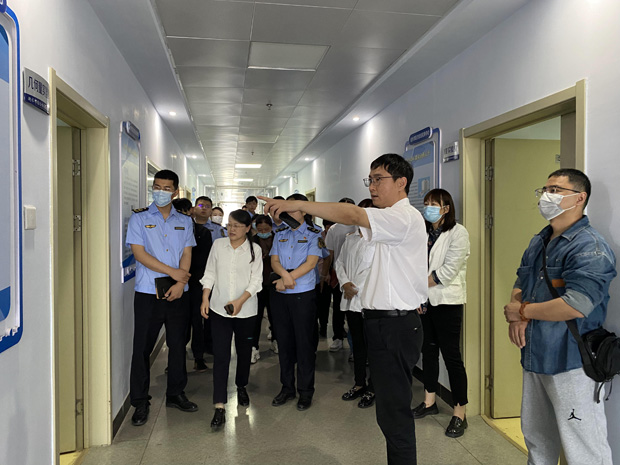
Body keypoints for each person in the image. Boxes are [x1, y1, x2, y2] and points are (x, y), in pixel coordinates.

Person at [260, 153, 427, 464]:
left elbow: (350, 214)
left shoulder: (403, 217)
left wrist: (300, 205)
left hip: (396, 324)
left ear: (401, 182)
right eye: (370, 180)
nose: (372, 186)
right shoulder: (386, 220)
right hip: (379, 321)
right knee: (388, 412)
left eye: (379, 179)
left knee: (395, 413)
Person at [503, 169, 616, 465]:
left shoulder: (589, 247)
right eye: (545, 189)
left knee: (583, 448)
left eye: (555, 190)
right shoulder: (539, 241)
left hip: (572, 362)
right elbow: (522, 281)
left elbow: (576, 305)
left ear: (579, 198)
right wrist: (517, 316)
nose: (546, 196)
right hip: (535, 356)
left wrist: (523, 311)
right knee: (537, 439)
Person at [126, 169, 199, 427]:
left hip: (179, 293)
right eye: (157, 186)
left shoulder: (185, 221)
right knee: (142, 348)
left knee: (178, 345)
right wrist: (174, 273)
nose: (160, 191)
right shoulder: (139, 218)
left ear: (175, 192)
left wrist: (180, 283)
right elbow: (139, 254)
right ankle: (140, 401)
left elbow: (187, 253)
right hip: (148, 292)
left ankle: (176, 393)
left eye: (166, 188)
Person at [411, 189, 470, 438]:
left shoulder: (458, 232)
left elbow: (448, 270)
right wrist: (417, 294)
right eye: (426, 203)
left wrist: (418, 285)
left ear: (446, 208)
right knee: (428, 352)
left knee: (451, 356)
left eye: (434, 204)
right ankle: (429, 401)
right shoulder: (423, 233)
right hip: (425, 302)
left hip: (447, 302)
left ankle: (460, 413)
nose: (428, 208)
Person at [200, 210, 263, 430]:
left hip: (246, 311)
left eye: (237, 226)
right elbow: (210, 273)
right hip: (219, 309)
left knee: (244, 353)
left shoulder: (255, 250)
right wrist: (205, 298)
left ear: (248, 228)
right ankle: (219, 405)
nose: (231, 229)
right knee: (221, 355)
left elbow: (256, 281)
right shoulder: (218, 245)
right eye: (229, 225)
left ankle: (241, 385)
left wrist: (239, 301)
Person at [269, 194, 323, 411]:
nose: (289, 212)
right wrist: (285, 276)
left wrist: (288, 279)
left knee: (304, 344)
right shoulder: (280, 233)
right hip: (281, 294)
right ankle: (287, 388)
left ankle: (305, 391)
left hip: (303, 295)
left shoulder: (314, 234)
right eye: (286, 208)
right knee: (284, 343)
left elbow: (310, 263)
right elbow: (274, 260)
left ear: (304, 211)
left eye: (293, 208)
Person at [334, 198, 376, 409]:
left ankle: (373, 387)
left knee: (373, 347)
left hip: (369, 302)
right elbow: (339, 263)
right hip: (351, 301)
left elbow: (373, 271)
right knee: (357, 345)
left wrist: (354, 287)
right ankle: (359, 383)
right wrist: (345, 283)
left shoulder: (378, 242)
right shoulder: (350, 239)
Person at [173, 197, 214, 370]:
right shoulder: (170, 232)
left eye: (184, 212)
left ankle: (198, 357)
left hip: (196, 283)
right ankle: (176, 358)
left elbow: (205, 261)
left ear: (190, 212)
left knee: (197, 321)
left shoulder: (202, 232)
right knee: (178, 323)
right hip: (174, 282)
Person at [322, 198, 357, 351]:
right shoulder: (334, 229)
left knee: (354, 311)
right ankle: (337, 337)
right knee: (338, 307)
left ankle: (354, 344)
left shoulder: (358, 226)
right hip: (339, 274)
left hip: (356, 274)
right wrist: (326, 273)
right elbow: (330, 254)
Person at [250, 214, 277, 362]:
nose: (263, 232)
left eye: (266, 229)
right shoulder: (251, 241)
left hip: (274, 283)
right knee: (256, 317)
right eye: (260, 229)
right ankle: (254, 347)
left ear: (271, 227)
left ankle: (276, 341)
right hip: (257, 285)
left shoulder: (278, 239)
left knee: (275, 315)